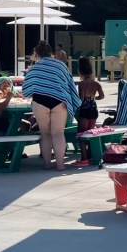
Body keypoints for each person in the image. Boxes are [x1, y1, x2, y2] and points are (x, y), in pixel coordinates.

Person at [20, 41, 81, 172]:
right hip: (59, 100)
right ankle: (60, 165)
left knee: (45, 134)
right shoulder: (61, 65)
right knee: (58, 134)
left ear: (36, 54)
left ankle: (47, 164)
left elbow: (26, 91)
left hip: (40, 101)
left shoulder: (34, 68)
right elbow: (70, 84)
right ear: (51, 53)